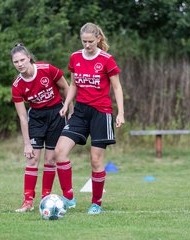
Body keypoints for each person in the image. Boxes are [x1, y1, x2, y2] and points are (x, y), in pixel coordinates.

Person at [54, 23, 125, 214]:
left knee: (95, 160)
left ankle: (96, 204)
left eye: (90, 41)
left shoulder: (107, 60)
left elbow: (117, 87)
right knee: (59, 151)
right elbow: (74, 84)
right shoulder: (75, 57)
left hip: (101, 113)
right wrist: (66, 104)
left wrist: (121, 113)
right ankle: (68, 198)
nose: (87, 45)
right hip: (80, 111)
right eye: (84, 41)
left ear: (98, 39)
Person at [10, 43, 72, 213]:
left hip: (55, 115)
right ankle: (27, 201)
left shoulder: (47, 69)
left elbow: (66, 88)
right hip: (36, 118)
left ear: (29, 58)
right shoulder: (17, 85)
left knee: (50, 160)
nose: (20, 64)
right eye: (16, 62)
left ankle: (46, 197)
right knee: (31, 159)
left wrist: (69, 111)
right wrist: (26, 143)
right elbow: (23, 117)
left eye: (22, 60)